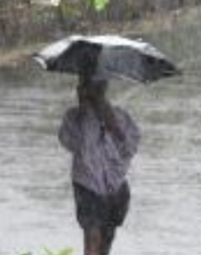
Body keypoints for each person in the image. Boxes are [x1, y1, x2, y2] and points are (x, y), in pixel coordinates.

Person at [59, 75, 141, 255]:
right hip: (87, 186)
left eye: (96, 89)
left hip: (115, 189)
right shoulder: (74, 117)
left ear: (104, 90)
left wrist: (112, 123)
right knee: (92, 235)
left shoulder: (120, 116)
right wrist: (84, 112)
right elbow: (68, 142)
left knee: (105, 240)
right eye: (83, 88)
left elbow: (130, 147)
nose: (85, 93)